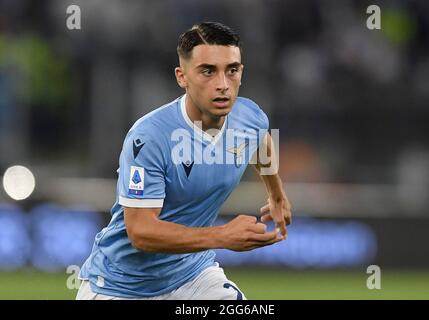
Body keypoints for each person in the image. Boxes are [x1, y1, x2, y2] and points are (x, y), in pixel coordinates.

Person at [76, 22, 292, 300]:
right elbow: (141, 232)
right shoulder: (150, 136)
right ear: (182, 77)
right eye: (208, 71)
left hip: (192, 274)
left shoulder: (249, 116)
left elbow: (261, 141)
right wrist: (222, 236)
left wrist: (276, 194)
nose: (223, 85)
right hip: (122, 286)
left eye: (232, 70)